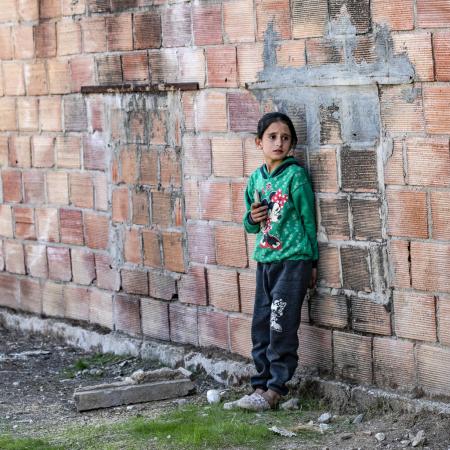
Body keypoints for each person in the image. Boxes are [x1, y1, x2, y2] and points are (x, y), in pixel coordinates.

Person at [228, 112, 318, 411]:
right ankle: (260, 385)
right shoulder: (256, 179)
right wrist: (251, 218)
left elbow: (309, 220)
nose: (279, 142)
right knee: (261, 323)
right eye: (272, 137)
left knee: (281, 323)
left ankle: (276, 389)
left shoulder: (296, 176)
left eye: (285, 138)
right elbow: (251, 224)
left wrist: (312, 262)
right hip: (266, 260)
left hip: (294, 261)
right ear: (259, 142)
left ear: (292, 143)